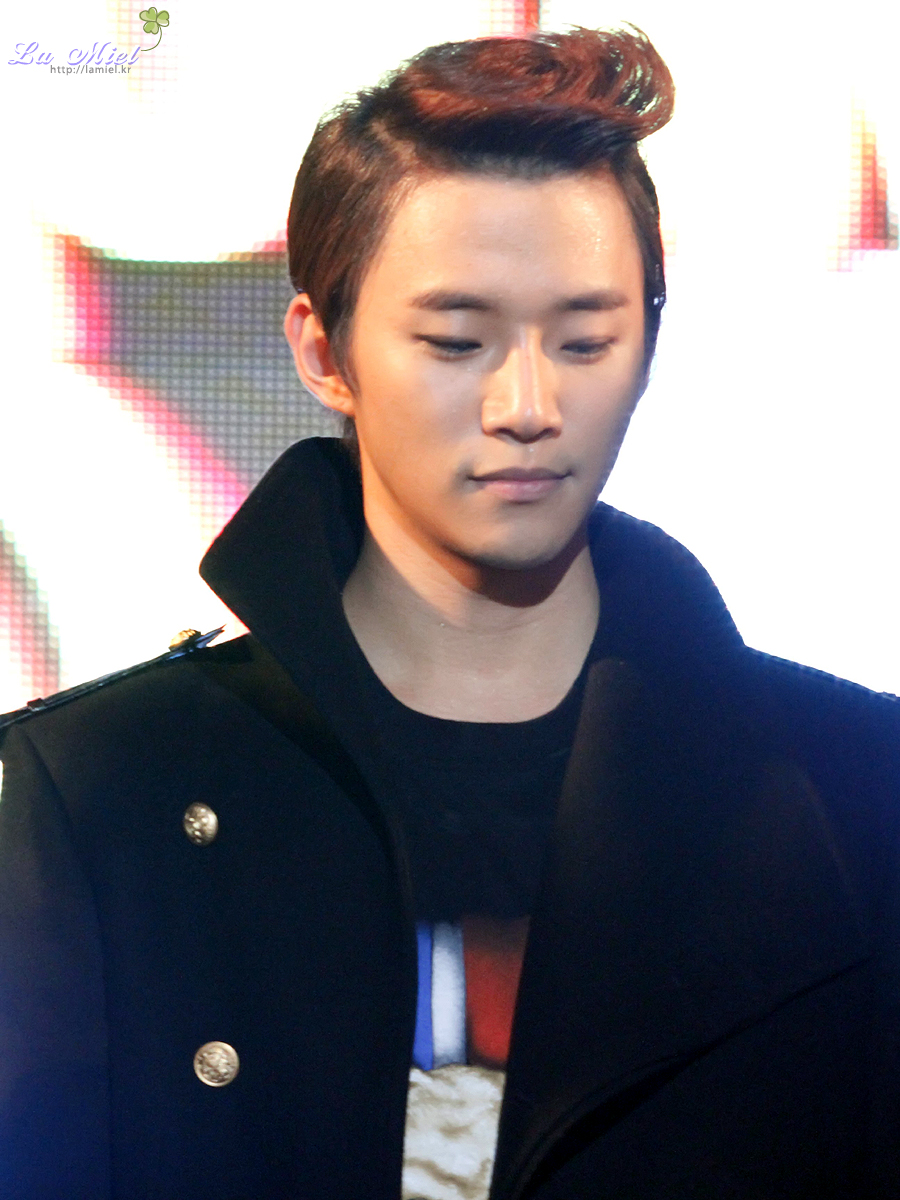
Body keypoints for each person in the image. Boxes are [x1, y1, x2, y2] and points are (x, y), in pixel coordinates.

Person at [1, 24, 898, 1200]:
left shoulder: (856, 787)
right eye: (457, 340)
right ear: (324, 350)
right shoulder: (100, 789)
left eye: (586, 339)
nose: (528, 404)